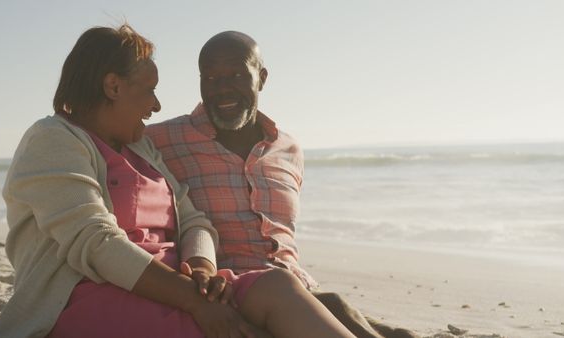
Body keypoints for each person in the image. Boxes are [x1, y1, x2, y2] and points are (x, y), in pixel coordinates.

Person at [0, 24, 355, 338]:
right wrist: (193, 300)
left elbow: (194, 220)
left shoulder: (142, 148)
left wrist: (202, 269)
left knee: (280, 288)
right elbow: (96, 242)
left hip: (178, 286)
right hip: (93, 292)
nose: (157, 106)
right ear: (113, 87)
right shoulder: (53, 139)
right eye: (149, 89)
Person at [146, 31, 419, 338]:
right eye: (210, 78)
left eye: (236, 75)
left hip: (295, 290)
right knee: (342, 310)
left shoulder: (288, 148)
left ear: (261, 78)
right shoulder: (159, 141)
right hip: (224, 292)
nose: (222, 89)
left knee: (362, 318)